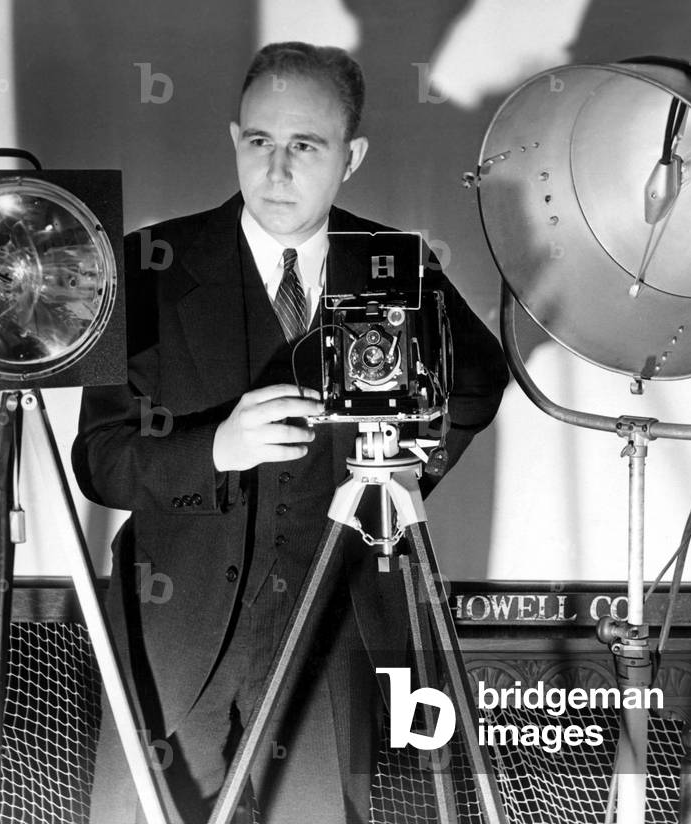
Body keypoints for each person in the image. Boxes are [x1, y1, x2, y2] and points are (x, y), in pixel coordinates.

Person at [72, 41, 509, 824]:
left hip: (325, 623)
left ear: (351, 157)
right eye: (259, 143)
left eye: (305, 146)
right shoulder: (144, 267)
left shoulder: (393, 269)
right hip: (170, 629)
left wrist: (401, 469)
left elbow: (478, 381)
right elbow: (102, 461)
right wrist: (213, 448)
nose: (277, 171)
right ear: (234, 141)